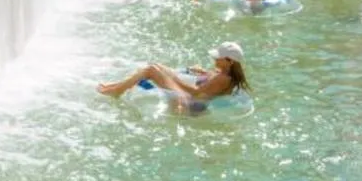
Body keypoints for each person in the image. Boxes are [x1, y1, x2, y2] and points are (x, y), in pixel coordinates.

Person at [98, 41, 250, 106]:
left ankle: (116, 91)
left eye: (218, 57)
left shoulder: (224, 78)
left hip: (189, 99)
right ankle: (117, 86)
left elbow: (197, 93)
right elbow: (213, 81)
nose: (214, 58)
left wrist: (175, 79)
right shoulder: (224, 72)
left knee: (151, 70)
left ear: (229, 61)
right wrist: (204, 72)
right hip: (191, 94)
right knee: (158, 66)